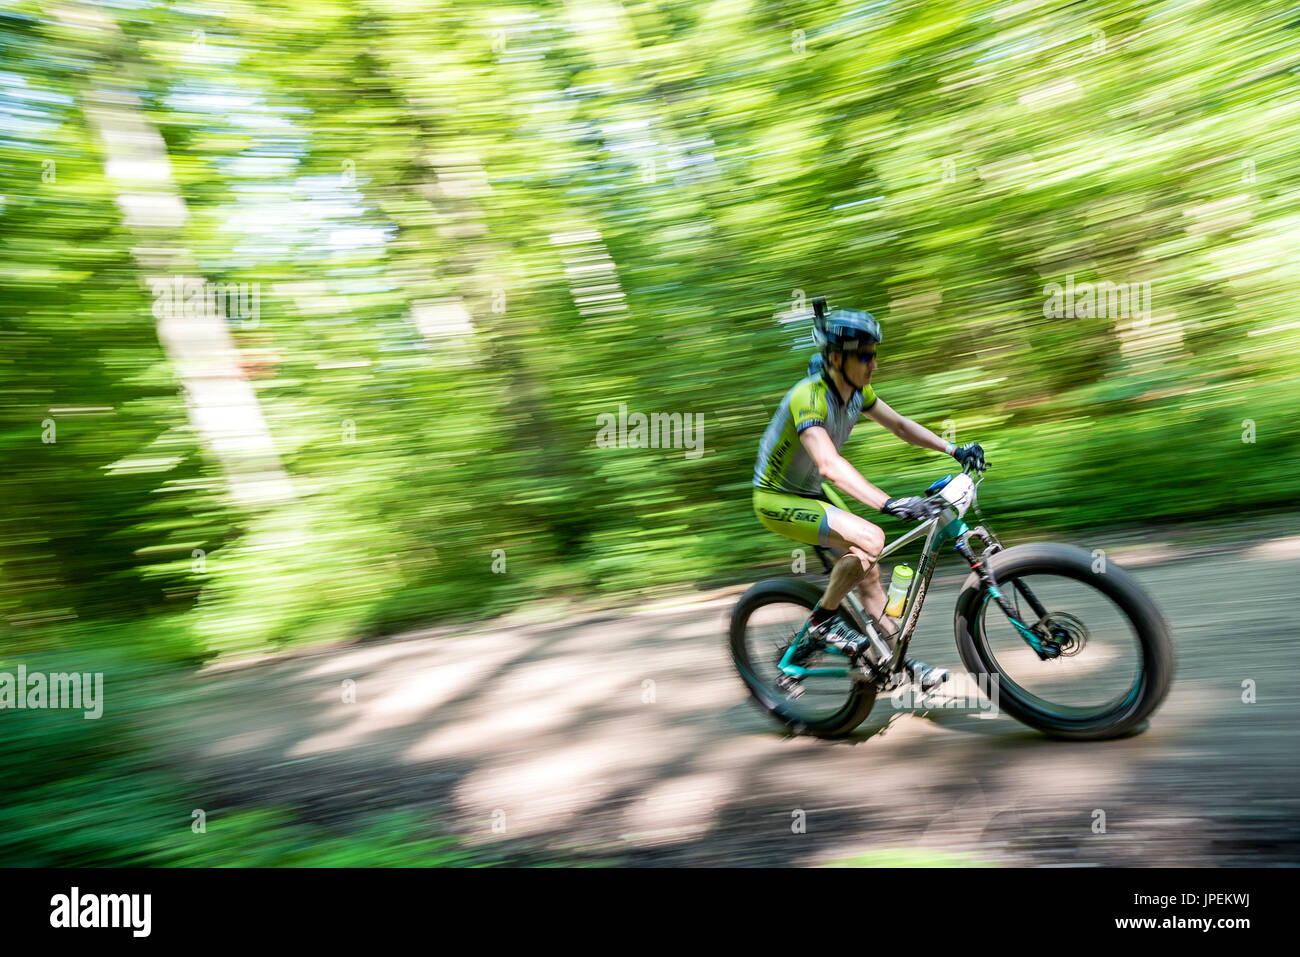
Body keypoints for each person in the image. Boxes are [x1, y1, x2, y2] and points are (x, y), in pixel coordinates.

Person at [751, 298, 985, 695]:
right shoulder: (807, 397)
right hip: (776, 499)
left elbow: (899, 425)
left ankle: (898, 663)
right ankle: (823, 622)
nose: (873, 364)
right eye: (864, 356)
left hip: (811, 493)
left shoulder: (857, 391)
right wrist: (888, 502)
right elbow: (827, 463)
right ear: (836, 358)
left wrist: (954, 449)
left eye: (874, 355)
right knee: (873, 537)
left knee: (870, 570)